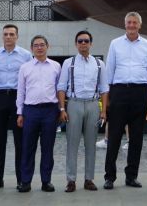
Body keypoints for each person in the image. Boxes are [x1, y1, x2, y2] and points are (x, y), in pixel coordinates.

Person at [103, 11, 147, 189]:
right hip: (119, 92)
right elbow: (109, 70)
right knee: (114, 137)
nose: (132, 25)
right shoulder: (115, 44)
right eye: (129, 22)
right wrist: (108, 97)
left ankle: (131, 176)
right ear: (124, 24)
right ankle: (109, 177)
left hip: (140, 93)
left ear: (139, 25)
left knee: (136, 139)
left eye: (135, 23)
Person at [57, 30, 109, 192]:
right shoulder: (68, 63)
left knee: (90, 145)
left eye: (86, 41)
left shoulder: (99, 64)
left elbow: (104, 89)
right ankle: (71, 180)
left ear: (91, 43)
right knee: (72, 144)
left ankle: (89, 179)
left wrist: (104, 111)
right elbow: (61, 87)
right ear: (76, 44)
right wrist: (62, 108)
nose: (83, 44)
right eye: (80, 41)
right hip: (74, 104)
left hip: (93, 104)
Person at [0, 24, 32, 190]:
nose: (8, 37)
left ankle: (22, 179)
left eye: (11, 34)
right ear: (2, 36)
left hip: (18, 98)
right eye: (5, 34)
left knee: (20, 141)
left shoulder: (26, 55)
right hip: (0, 98)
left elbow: (29, 77)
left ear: (17, 36)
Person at [16, 35, 62, 192]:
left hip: (50, 110)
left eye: (42, 45)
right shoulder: (25, 68)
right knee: (28, 147)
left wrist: (61, 110)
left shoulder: (56, 66)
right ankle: (26, 181)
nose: (39, 48)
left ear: (48, 46)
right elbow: (21, 92)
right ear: (31, 48)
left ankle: (46, 181)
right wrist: (20, 113)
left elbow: (59, 90)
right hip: (30, 111)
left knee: (47, 147)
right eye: (36, 45)